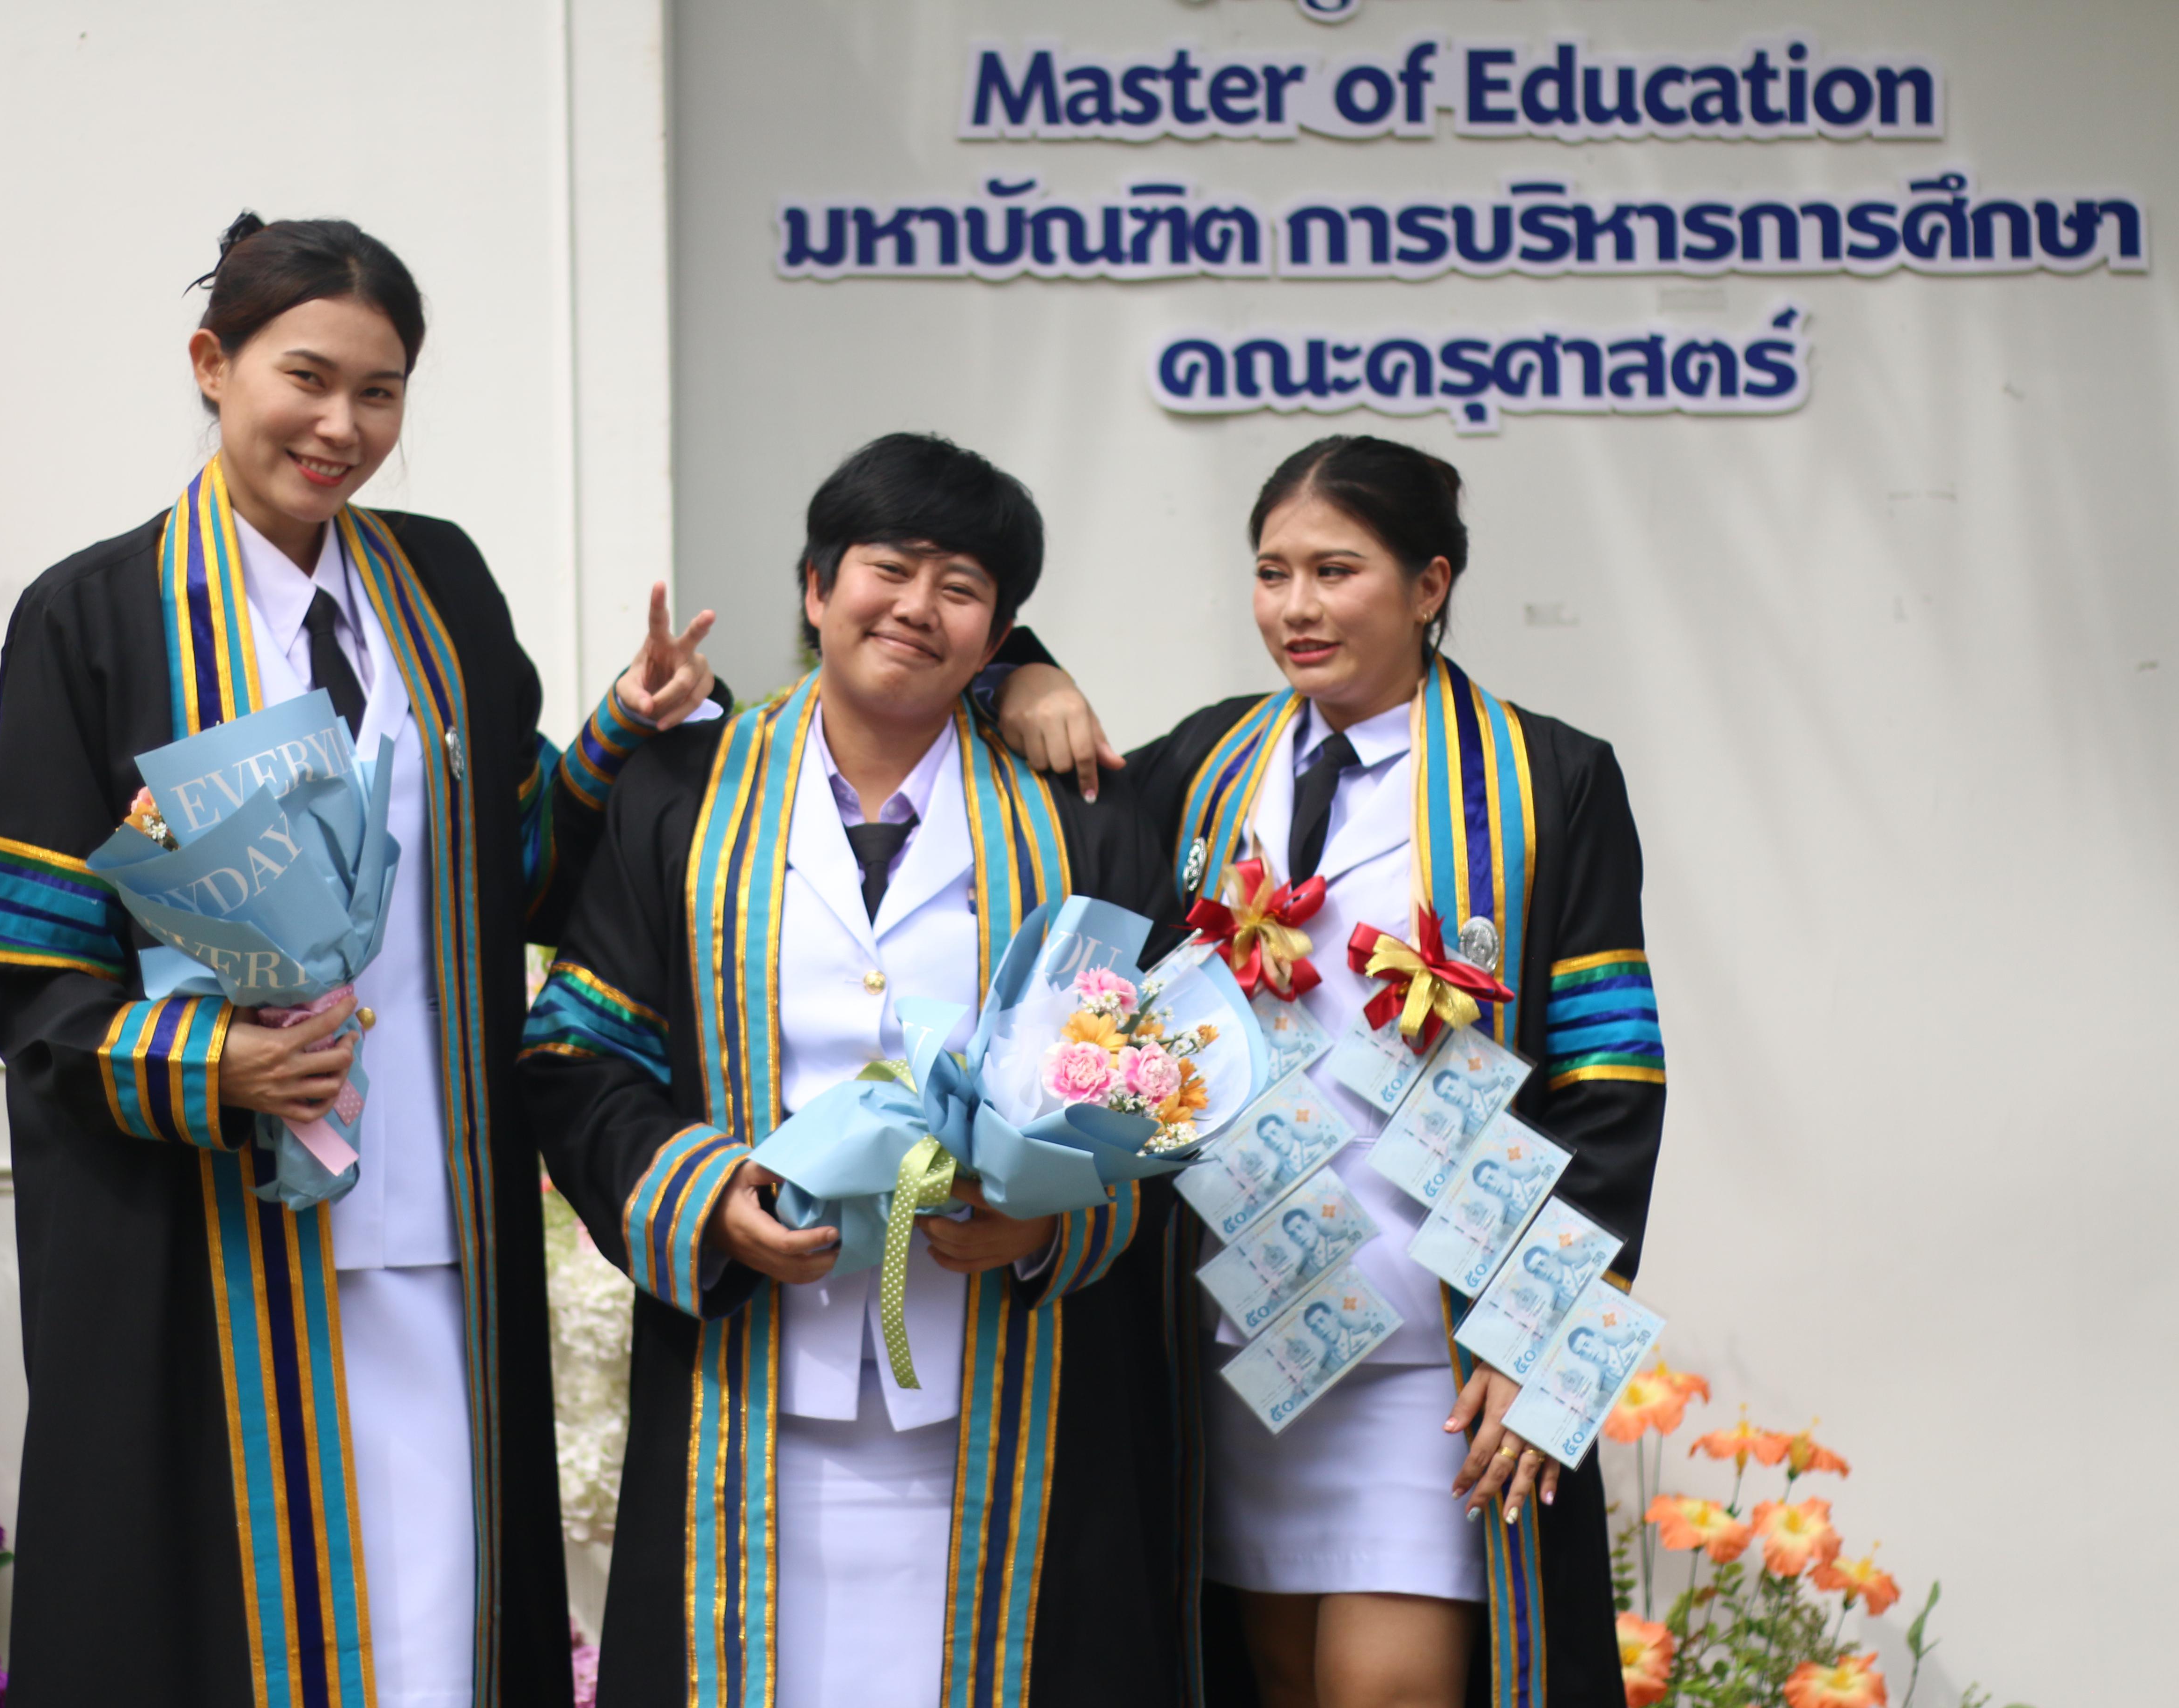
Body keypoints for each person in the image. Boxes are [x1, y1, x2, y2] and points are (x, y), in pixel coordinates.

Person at [0, 214, 715, 1708]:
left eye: (381, 392)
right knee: (222, 1637)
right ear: (210, 365)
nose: (341, 425)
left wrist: (621, 729)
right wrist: (211, 1063)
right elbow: (26, 959)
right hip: (208, 1241)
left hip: (432, 1209)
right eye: (308, 377)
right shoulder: (98, 618)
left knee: (437, 1625)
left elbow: (507, 878)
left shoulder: (436, 590)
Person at [991, 435, 1667, 1708]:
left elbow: (1612, 1077)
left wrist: (1542, 1334)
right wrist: (1024, 671)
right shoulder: (1202, 765)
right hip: (1238, 1336)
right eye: (1272, 572)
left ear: (1429, 585)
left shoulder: (1550, 781)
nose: (1297, 608)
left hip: (1434, 1349)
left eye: (1337, 570)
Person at [518, 434, 1182, 1708]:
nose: (917, 609)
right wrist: (704, 1195)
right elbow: (576, 1048)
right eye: (890, 567)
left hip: (1007, 1389)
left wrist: (1048, 1227)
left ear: (1002, 636)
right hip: (747, 1382)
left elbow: (1154, 1094)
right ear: (817, 587)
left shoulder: (1084, 816)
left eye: (964, 587)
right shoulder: (684, 791)